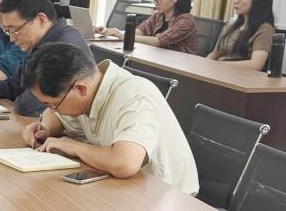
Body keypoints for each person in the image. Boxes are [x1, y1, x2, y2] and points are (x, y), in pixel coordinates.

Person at [21, 43, 199, 195]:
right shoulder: (90, 86)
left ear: (80, 89)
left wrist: (74, 146)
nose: (52, 109)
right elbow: (56, 116)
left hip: (167, 195)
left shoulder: (134, 96)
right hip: (126, 186)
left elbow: (124, 163)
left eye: (53, 104)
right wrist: (44, 129)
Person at [95, 0, 197, 53]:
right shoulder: (158, 15)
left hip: (180, 65)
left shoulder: (186, 20)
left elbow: (159, 41)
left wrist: (122, 36)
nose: (156, 2)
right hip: (159, 58)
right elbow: (140, 31)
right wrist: (111, 32)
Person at [207, 0, 276, 70]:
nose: (236, 1)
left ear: (258, 0)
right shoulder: (233, 25)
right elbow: (214, 53)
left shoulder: (265, 29)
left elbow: (256, 64)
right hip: (218, 71)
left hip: (236, 75)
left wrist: (219, 66)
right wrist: (204, 66)